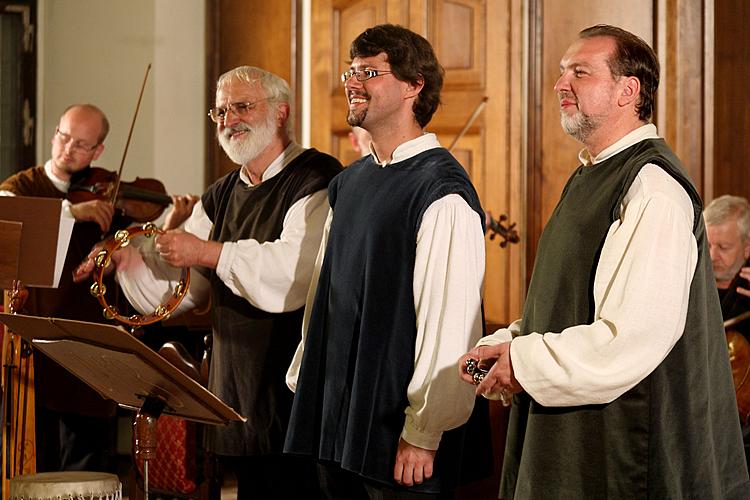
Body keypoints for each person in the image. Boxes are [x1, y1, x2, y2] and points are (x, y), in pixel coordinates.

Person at [458, 25, 750, 498]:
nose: (560, 85)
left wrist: (521, 360)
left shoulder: (652, 188)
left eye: (580, 72)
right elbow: (573, 300)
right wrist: (509, 341)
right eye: (560, 72)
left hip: (621, 453)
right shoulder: (590, 174)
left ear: (627, 90)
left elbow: (627, 340)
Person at [76, 66, 342, 499]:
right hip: (235, 380)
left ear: (281, 113)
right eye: (219, 111)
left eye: (242, 106)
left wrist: (208, 252)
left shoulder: (316, 177)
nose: (228, 120)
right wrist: (126, 260)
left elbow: (295, 272)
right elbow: (182, 288)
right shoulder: (220, 194)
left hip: (293, 381)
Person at [285, 24, 489, 498]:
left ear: (413, 85)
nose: (352, 82)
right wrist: (307, 380)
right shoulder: (349, 182)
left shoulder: (443, 192)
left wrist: (425, 430)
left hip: (400, 437)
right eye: (350, 71)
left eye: (369, 72)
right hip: (337, 419)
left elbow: (451, 324)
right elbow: (324, 294)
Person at [0, 104, 119, 472]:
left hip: (88, 346)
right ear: (54, 134)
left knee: (86, 468)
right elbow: (12, 212)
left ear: (97, 151)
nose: (68, 149)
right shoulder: (21, 185)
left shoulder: (108, 191)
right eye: (63, 137)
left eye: (81, 144)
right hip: (37, 349)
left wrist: (116, 246)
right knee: (39, 460)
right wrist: (72, 211)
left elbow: (139, 238)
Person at [704, 194, 750, 465]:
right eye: (707, 245)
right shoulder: (689, 280)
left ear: (747, 248)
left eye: (723, 247)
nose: (712, 256)